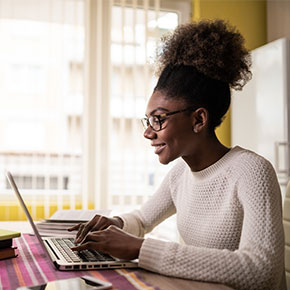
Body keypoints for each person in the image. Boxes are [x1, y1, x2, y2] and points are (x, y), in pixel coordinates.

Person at [68, 19, 286, 290]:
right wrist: (116, 223)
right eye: (147, 120)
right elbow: (142, 219)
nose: (148, 133)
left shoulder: (251, 171)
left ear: (198, 119)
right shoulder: (180, 175)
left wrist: (140, 249)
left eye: (158, 120)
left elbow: (260, 269)